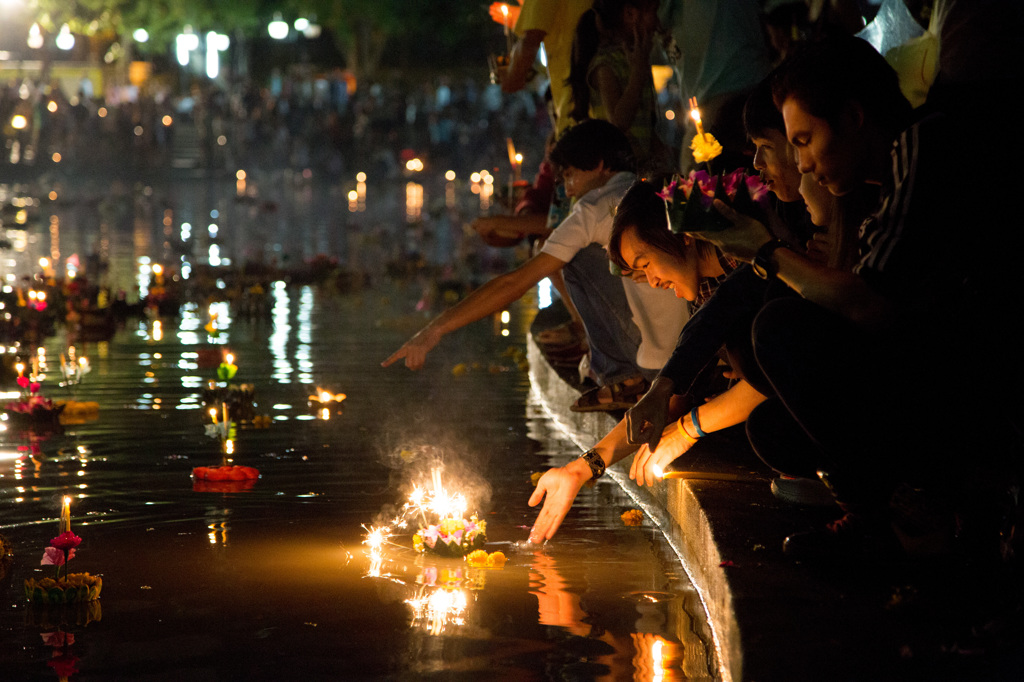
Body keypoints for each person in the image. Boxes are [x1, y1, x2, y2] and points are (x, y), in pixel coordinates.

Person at [682, 36, 1021, 561]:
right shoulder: (883, 183)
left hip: (982, 390)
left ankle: (901, 522)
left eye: (803, 139)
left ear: (854, 117)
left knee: (780, 331)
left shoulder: (921, 146)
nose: (801, 163)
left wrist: (763, 248)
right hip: (944, 379)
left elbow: (870, 307)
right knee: (775, 427)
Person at [383, 120, 688, 413]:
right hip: (693, 351)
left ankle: (621, 377)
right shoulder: (651, 192)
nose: (568, 190)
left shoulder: (593, 206)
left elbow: (514, 283)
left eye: (569, 176)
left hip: (657, 362)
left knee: (573, 258)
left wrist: (435, 329)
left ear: (598, 165)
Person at [566, 0, 670, 174]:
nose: (658, 21)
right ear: (630, 14)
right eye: (653, 10)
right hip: (618, 176)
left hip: (639, 173)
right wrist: (638, 73)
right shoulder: (605, 64)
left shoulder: (639, 60)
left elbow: (646, 125)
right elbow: (618, 123)